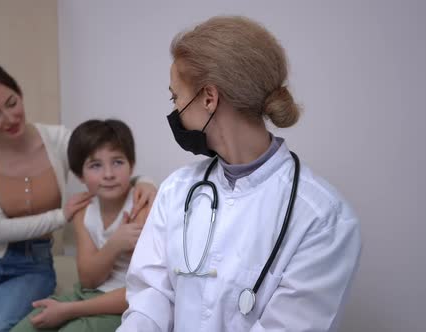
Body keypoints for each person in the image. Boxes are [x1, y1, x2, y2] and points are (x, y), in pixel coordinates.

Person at [117, 16, 361, 332]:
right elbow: (151, 297)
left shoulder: (323, 219)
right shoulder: (176, 190)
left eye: (175, 96)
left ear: (208, 97)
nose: (175, 109)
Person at [0, 63, 156, 332]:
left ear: (20, 94)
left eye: (11, 103)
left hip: (32, 263)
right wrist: (61, 216)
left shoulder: (58, 139)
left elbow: (99, 154)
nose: (9, 118)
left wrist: (145, 182)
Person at [11, 119, 151, 331]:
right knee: (25, 328)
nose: (109, 174)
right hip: (88, 294)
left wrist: (70, 310)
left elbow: (143, 291)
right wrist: (115, 245)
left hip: (126, 305)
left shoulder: (142, 207)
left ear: (131, 166)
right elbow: (88, 280)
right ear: (79, 175)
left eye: (118, 162)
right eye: (95, 165)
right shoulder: (84, 210)